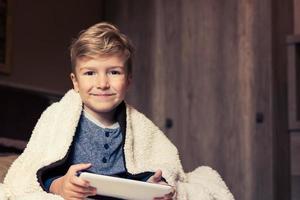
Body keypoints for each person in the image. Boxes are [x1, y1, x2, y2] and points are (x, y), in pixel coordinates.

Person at [0, 22, 234, 200]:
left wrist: (156, 182)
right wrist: (61, 185)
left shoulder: (139, 127)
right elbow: (40, 169)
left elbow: (151, 165)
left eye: (114, 72)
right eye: (90, 73)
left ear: (128, 80)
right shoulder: (58, 118)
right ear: (75, 81)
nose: (102, 83)